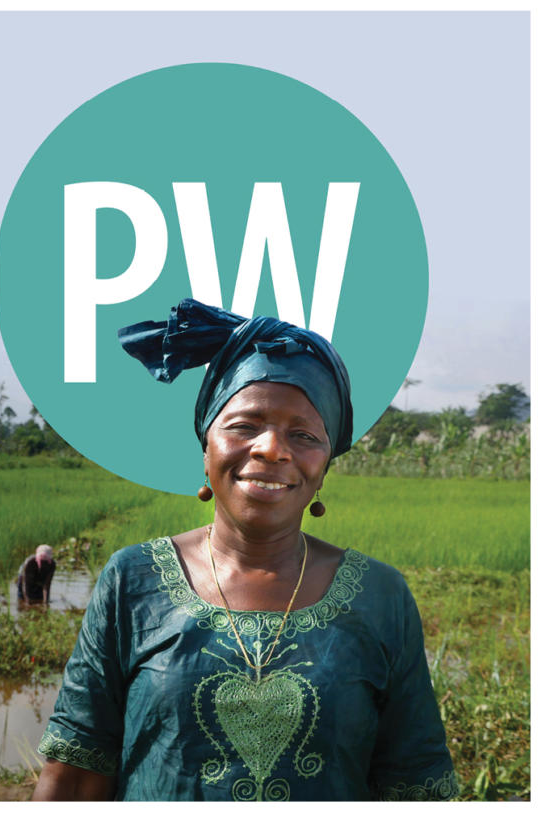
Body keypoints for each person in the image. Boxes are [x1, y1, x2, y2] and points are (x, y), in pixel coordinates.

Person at [31, 299, 457, 801]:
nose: (272, 449)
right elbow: (77, 771)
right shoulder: (133, 579)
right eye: (244, 426)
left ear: (325, 463)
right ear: (206, 443)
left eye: (304, 434)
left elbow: (411, 784)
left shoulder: (381, 596)